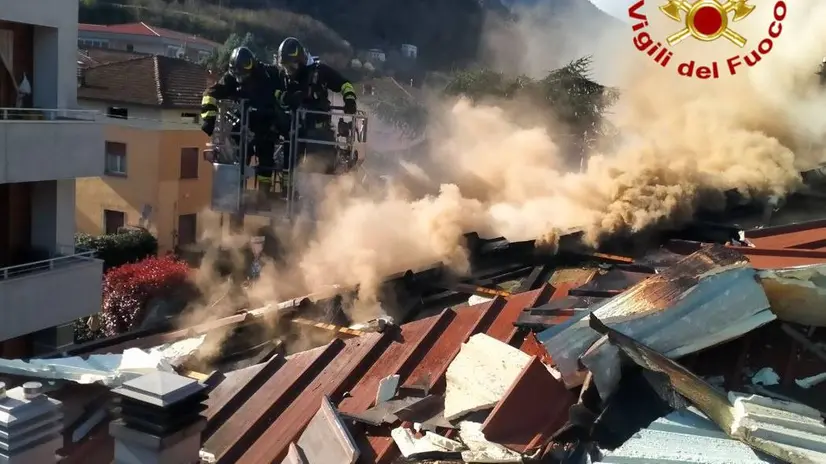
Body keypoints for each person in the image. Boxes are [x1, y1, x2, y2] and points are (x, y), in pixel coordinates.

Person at [200, 46, 288, 206]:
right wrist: (209, 118)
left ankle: (263, 198)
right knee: (239, 161)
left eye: (244, 75)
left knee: (266, 163)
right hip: (242, 126)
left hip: (266, 126)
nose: (240, 78)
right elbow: (210, 94)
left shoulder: (269, 75)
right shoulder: (231, 77)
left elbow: (285, 92)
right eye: (237, 75)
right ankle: (236, 198)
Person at [275, 37, 358, 192]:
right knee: (289, 162)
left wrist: (350, 100)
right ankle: (287, 195)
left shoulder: (319, 72)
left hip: (320, 132)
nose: (288, 71)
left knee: (323, 167)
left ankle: (323, 203)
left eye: (291, 67)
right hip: (295, 129)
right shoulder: (283, 76)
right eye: (285, 67)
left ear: (300, 60)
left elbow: (344, 84)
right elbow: (273, 91)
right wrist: (285, 97)